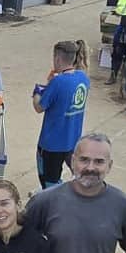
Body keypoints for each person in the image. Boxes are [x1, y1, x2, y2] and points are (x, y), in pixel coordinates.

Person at [32, 40, 90, 188]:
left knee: (49, 182)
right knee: (80, 176)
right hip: (72, 140)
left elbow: (39, 107)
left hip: (51, 143)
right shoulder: (83, 78)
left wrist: (37, 91)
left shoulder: (57, 82)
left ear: (57, 58)